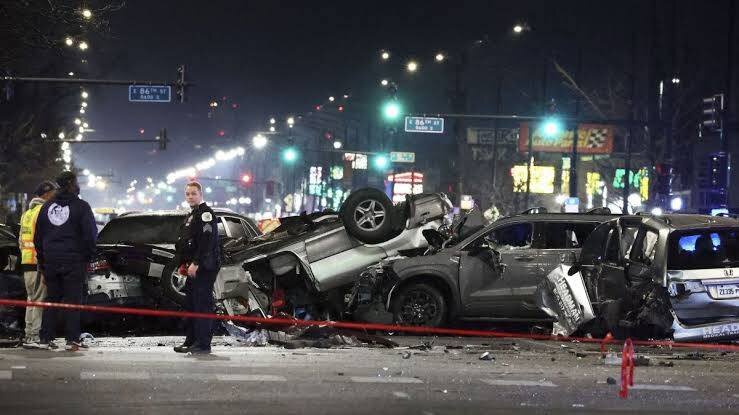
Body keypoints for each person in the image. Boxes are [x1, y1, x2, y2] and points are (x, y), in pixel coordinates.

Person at [35, 171, 97, 351]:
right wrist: (88, 257)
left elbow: (38, 237)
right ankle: (71, 339)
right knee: (73, 301)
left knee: (51, 300)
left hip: (51, 261)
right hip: (74, 261)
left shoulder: (46, 207)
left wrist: (43, 261)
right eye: (76, 182)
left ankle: (46, 338)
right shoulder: (81, 206)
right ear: (71, 183)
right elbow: (90, 235)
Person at [173, 181, 221, 355]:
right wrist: (183, 264)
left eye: (193, 193)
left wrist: (196, 263)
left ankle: (203, 344)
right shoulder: (192, 214)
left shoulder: (206, 213)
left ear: (200, 194)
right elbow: (188, 242)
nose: (190, 197)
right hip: (193, 266)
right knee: (192, 305)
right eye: (187, 194)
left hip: (205, 267)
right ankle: (191, 341)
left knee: (202, 305)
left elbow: (207, 241)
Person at [19, 180, 59, 349]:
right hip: (38, 262)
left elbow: (21, 240)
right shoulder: (43, 211)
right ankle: (34, 337)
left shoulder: (27, 213)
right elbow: (45, 240)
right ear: (46, 194)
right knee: (39, 300)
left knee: (31, 300)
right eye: (53, 193)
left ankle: (29, 336)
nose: (55, 195)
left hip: (27, 261)